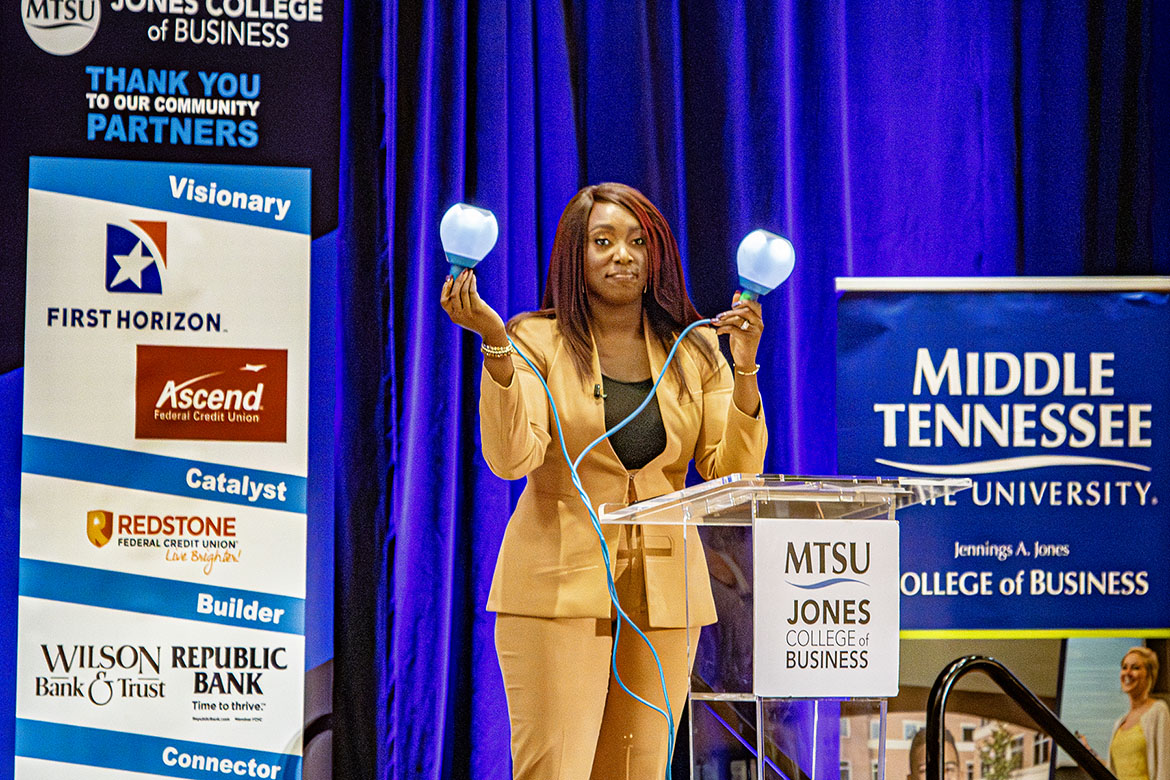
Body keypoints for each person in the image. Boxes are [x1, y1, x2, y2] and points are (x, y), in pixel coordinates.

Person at [440, 182, 767, 780]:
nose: (623, 254)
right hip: (557, 588)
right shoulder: (533, 340)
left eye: (638, 242)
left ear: (656, 256)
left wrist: (744, 363)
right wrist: (493, 344)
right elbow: (513, 458)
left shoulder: (696, 350)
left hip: (666, 596)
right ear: (576, 254)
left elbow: (735, 473)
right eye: (603, 241)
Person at [1109, 647, 1170, 780]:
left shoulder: (1158, 710)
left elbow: (1164, 770)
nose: (1127, 672)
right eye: (1124, 667)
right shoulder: (1119, 723)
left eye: (1135, 668)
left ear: (1149, 674)